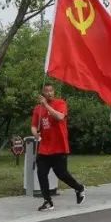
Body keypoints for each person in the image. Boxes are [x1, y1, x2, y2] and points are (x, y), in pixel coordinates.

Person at [30, 84, 86, 212]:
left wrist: (46, 105)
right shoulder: (38, 109)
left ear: (54, 92)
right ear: (43, 93)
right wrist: (35, 134)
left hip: (59, 146)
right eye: (46, 91)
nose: (49, 93)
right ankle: (47, 201)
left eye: (51, 90)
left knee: (62, 174)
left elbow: (60, 117)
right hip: (44, 148)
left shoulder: (60, 103)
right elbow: (33, 126)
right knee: (41, 173)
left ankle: (79, 188)